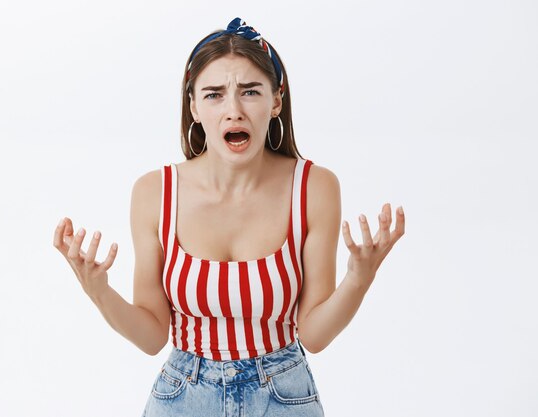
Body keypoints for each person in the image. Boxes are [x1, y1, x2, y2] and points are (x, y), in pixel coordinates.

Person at [53, 17, 405, 417]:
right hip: (183, 397)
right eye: (215, 95)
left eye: (250, 92)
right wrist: (97, 288)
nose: (233, 110)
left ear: (276, 101)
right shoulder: (155, 193)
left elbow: (314, 333)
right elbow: (152, 335)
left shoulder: (313, 188)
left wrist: (359, 277)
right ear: (194, 107)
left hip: (283, 395)